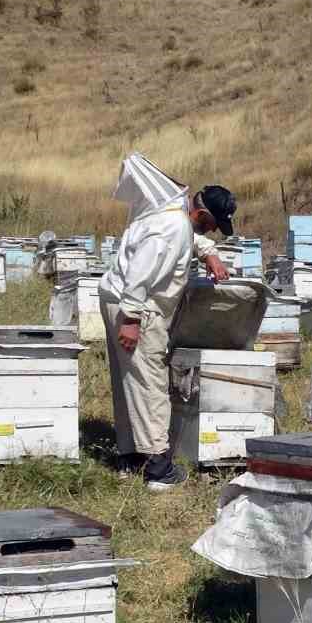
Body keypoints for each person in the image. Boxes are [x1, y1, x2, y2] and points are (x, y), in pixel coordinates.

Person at [100, 153, 237, 491]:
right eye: (214, 225)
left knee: (129, 381)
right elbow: (141, 272)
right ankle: (158, 468)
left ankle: (131, 456)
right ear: (202, 214)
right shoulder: (172, 229)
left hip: (120, 298)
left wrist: (209, 252)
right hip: (137, 306)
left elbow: (188, 236)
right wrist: (131, 318)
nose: (214, 231)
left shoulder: (173, 211)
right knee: (150, 381)